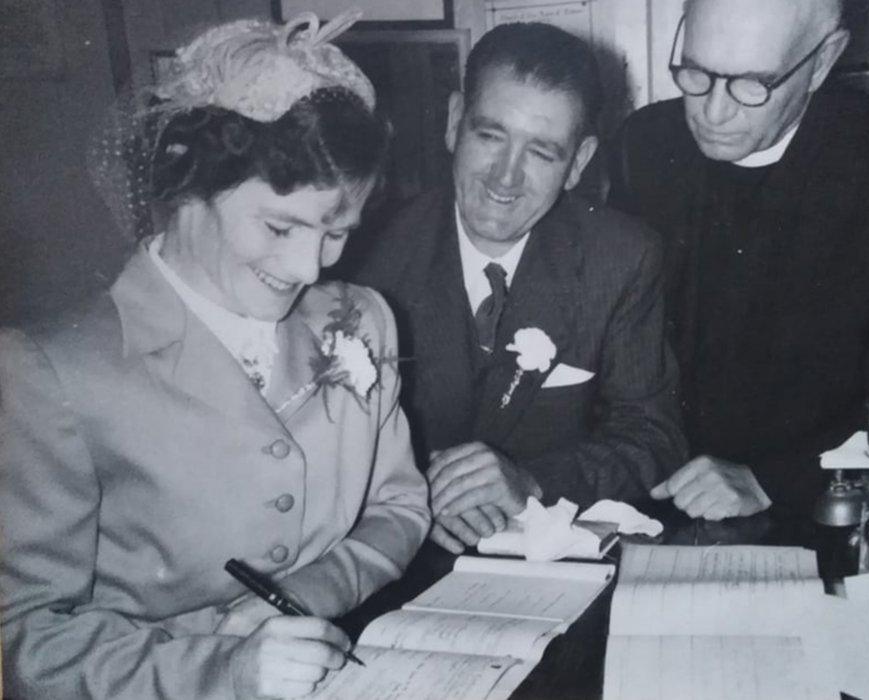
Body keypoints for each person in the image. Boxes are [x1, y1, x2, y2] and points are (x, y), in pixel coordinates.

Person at [0, 13, 430, 700]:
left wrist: (307, 592)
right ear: (190, 186)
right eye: (280, 226)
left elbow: (401, 506)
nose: (310, 268)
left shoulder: (363, 320)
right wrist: (219, 672)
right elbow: (19, 639)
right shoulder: (49, 372)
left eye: (336, 232)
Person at [608, 0, 869, 520]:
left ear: (824, 61)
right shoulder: (642, 146)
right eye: (695, 72)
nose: (714, 112)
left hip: (827, 507)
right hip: (651, 493)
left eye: (754, 84)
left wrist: (772, 481)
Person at [354, 22, 686, 554]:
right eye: (490, 136)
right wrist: (410, 501)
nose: (505, 179)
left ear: (577, 163)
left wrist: (531, 481)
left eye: (541, 152)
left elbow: (653, 439)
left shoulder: (622, 258)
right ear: (454, 123)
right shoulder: (363, 256)